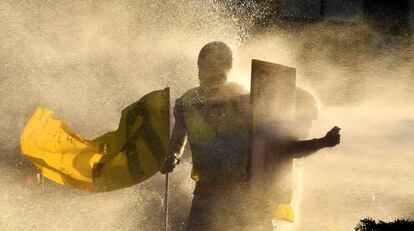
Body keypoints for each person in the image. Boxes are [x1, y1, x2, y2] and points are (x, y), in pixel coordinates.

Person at [161, 41, 340, 231]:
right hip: (205, 197)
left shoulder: (244, 100)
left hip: (244, 200)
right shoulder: (186, 103)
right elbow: (180, 136)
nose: (210, 70)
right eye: (206, 64)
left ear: (227, 68)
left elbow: (279, 146)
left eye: (217, 65)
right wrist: (173, 156)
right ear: (199, 66)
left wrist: (321, 142)